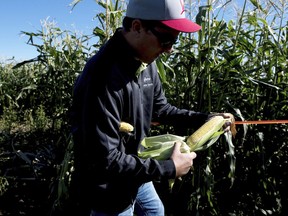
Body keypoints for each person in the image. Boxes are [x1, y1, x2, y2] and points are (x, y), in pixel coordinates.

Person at [70, 0, 232, 215]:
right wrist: (169, 168)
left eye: (175, 40)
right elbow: (105, 160)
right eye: (166, 39)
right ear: (137, 27)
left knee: (155, 212)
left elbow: (161, 109)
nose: (170, 49)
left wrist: (207, 119)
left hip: (137, 171)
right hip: (109, 186)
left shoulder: (146, 62)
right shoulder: (102, 78)